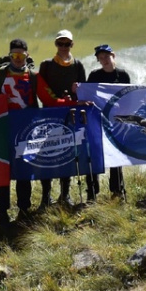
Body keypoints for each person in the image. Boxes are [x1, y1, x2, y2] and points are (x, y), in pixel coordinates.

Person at [0, 38, 38, 226]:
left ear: (27, 55)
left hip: (25, 131)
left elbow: (45, 98)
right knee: (3, 170)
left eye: (21, 55)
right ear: (9, 55)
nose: (17, 59)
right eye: (14, 55)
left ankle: (24, 209)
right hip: (3, 130)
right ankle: (2, 211)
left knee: (24, 170)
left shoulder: (33, 76)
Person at [37, 29, 87, 207]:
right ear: (56, 44)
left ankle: (65, 195)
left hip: (70, 116)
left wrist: (75, 94)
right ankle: (46, 196)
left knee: (67, 154)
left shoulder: (78, 65)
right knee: (47, 155)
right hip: (49, 116)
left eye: (67, 43)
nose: (64, 47)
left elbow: (83, 92)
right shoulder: (46, 65)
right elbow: (41, 90)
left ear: (72, 45)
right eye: (60, 43)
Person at [86, 44, 129, 199]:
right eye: (100, 57)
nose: (104, 60)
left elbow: (128, 97)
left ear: (113, 56)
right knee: (94, 155)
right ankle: (92, 192)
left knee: (116, 156)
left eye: (106, 56)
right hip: (98, 121)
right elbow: (87, 96)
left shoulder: (123, 75)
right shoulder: (94, 76)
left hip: (117, 122)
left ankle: (117, 191)